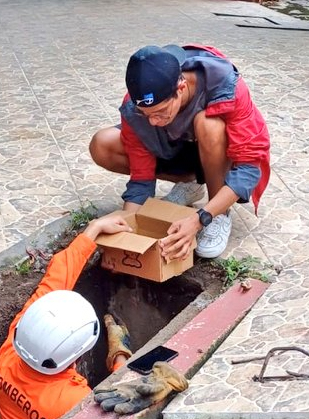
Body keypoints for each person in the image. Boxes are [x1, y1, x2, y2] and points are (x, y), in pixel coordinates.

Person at [89, 44, 271, 260]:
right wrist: (128, 229)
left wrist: (200, 219)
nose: (153, 122)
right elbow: (141, 176)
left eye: (160, 112)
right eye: (146, 114)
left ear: (181, 87)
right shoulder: (137, 104)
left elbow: (249, 168)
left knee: (209, 124)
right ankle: (190, 184)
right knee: (103, 143)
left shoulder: (225, 86)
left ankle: (219, 214)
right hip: (178, 152)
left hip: (220, 154)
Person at [0, 216, 135, 419]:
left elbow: (56, 278)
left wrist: (95, 229)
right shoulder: (73, 401)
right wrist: (120, 358)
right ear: (77, 355)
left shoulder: (9, 352)